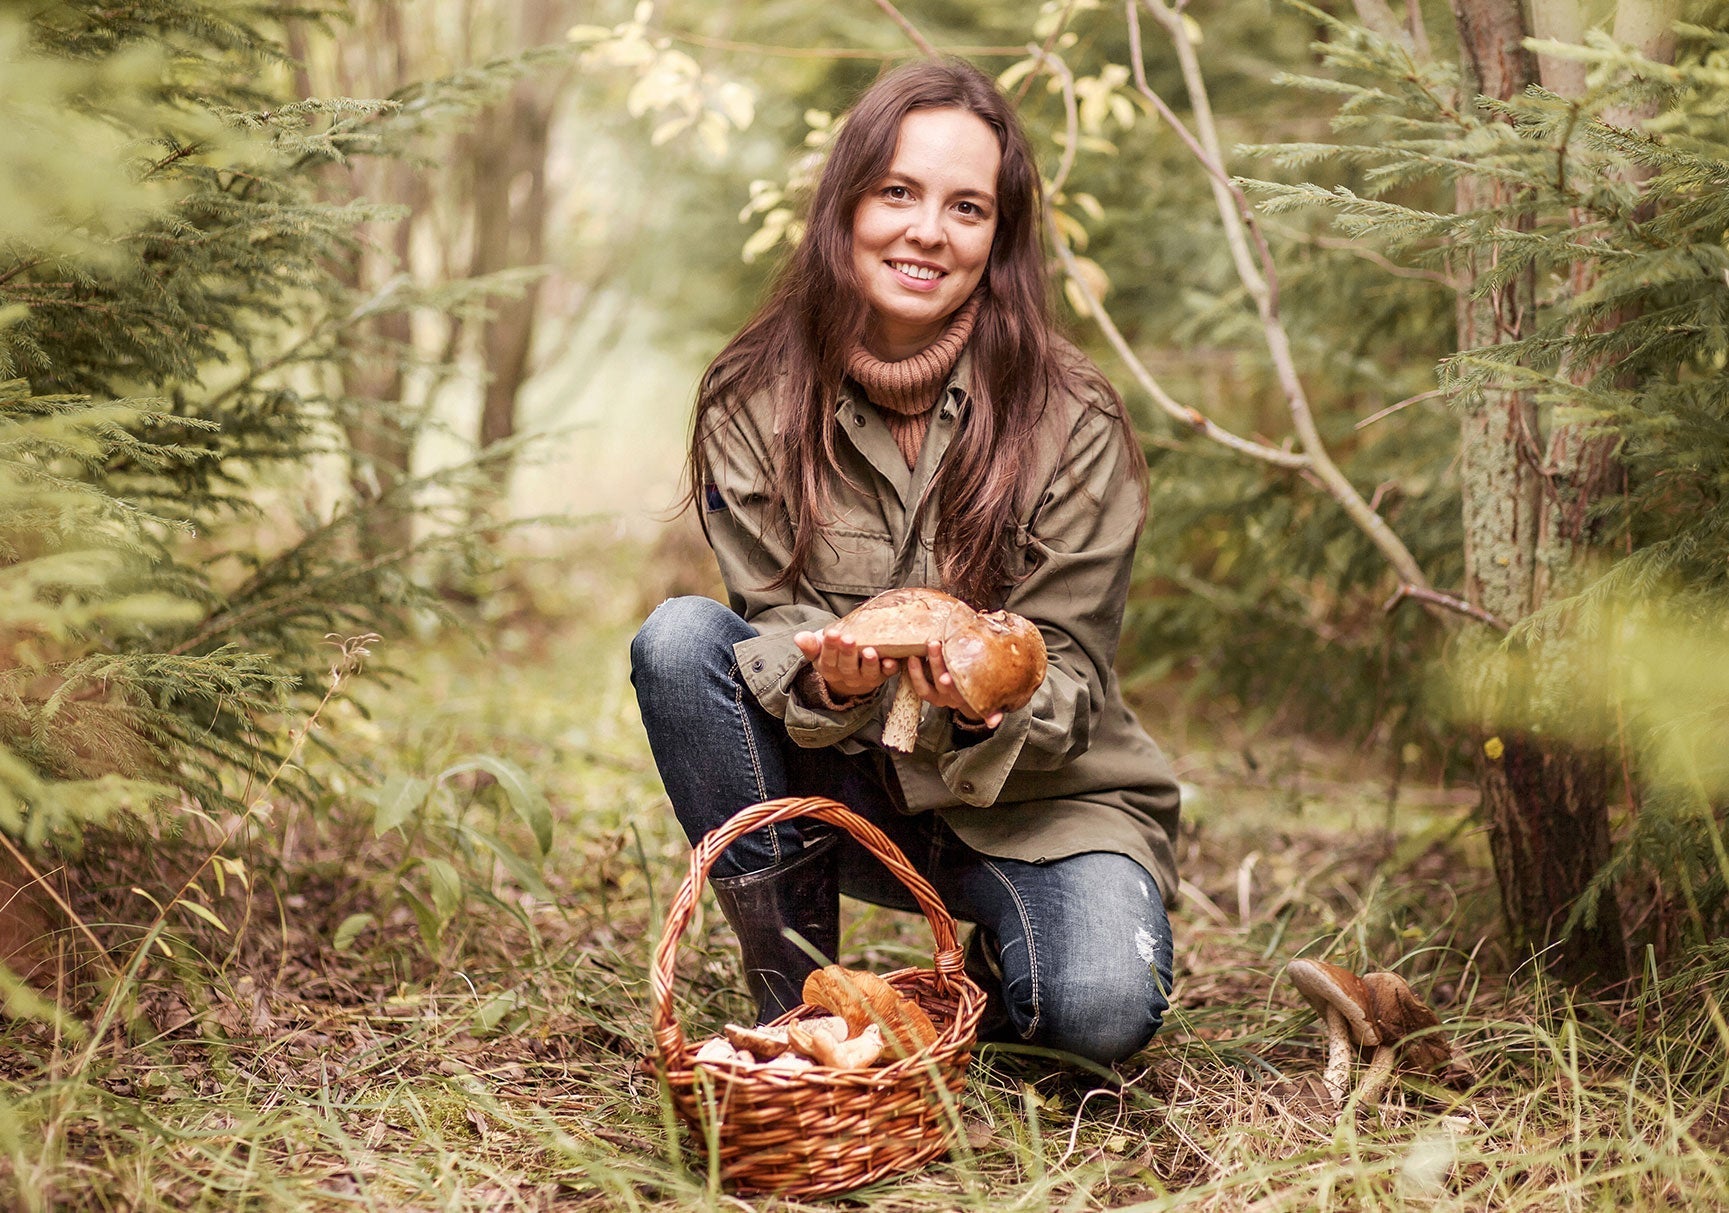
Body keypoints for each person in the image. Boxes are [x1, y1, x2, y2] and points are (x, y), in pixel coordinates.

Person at [631, 59, 1180, 1067]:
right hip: (847, 789)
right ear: (844, 206)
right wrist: (825, 673)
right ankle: (798, 1003)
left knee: (1098, 1015)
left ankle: (994, 971)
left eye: (966, 207)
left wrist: (981, 702)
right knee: (678, 642)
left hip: (1036, 806)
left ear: (996, 239)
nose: (927, 230)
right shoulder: (752, 400)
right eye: (898, 191)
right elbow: (767, 626)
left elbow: (1071, 678)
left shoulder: (1074, 417)